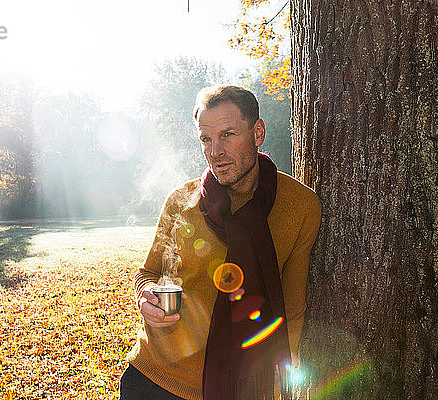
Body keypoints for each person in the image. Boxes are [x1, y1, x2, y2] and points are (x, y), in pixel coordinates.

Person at [120, 85, 321, 400]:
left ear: (258, 133)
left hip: (244, 386)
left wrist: (283, 382)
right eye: (206, 139)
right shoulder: (180, 201)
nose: (216, 152)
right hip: (154, 380)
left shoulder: (300, 205)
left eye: (227, 134)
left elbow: (293, 306)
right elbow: (147, 273)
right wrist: (145, 295)